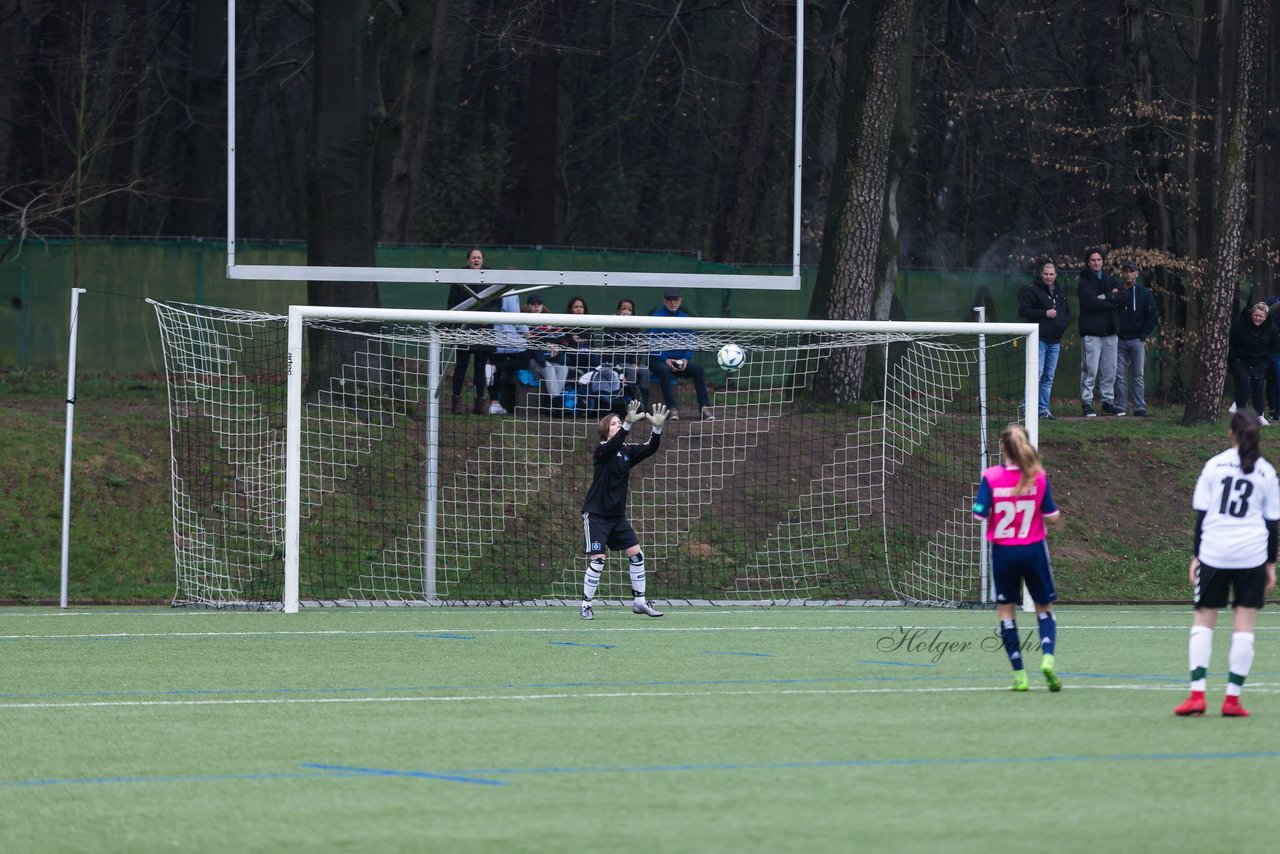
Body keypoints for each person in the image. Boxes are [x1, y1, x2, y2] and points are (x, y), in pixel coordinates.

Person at [1175, 410, 1279, 717]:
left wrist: (1197, 556)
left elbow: (1201, 517)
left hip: (1215, 554)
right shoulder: (1266, 472)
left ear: (1231, 434)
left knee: (1203, 622)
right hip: (1251, 556)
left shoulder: (1213, 466)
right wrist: (1270, 565)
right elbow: (1272, 525)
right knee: (1244, 628)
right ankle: (1232, 700)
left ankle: (1197, 696)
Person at [971, 423, 1063, 692]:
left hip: (1003, 553)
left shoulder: (991, 476)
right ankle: (1047, 658)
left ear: (1002, 447)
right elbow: (1051, 515)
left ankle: (1020, 675)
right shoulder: (1038, 476)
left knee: (1006, 612)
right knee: (1044, 608)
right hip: (1033, 550)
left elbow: (978, 514)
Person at [579, 399, 670, 620]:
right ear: (604, 431)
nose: (619, 425)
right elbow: (613, 444)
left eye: (620, 422)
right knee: (598, 560)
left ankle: (639, 603)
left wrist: (657, 428)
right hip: (596, 515)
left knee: (636, 555)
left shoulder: (626, 451)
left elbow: (650, 448)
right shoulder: (602, 450)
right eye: (615, 423)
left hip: (616, 518)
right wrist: (628, 424)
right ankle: (585, 605)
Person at [1018, 258, 1071, 421]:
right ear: (1041, 274)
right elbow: (1023, 310)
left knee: (1048, 376)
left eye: (1052, 274)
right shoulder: (1032, 290)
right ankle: (1027, 407)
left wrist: (1062, 324)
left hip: (1055, 341)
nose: (1049, 277)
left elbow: (1067, 312)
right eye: (1046, 274)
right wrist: (1044, 313)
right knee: (1036, 374)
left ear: (1056, 274)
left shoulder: (1060, 291)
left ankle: (1043, 409)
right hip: (1039, 339)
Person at [649, 289, 713, 421]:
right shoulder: (655, 318)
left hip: (679, 361)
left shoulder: (685, 319)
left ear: (680, 300)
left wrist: (685, 359)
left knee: (698, 370)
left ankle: (704, 408)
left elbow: (689, 344)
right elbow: (652, 346)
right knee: (664, 369)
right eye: (669, 299)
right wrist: (666, 360)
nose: (672, 302)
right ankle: (672, 408)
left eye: (675, 299)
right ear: (664, 300)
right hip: (658, 361)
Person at [447, 248, 492, 414]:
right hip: (463, 329)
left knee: (480, 367)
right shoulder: (459, 277)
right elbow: (452, 303)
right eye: (473, 257)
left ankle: (479, 401)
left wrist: (487, 319)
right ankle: (456, 400)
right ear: (468, 260)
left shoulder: (491, 276)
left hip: (484, 329)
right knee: (462, 366)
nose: (476, 260)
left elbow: (496, 302)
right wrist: (452, 325)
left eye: (479, 257)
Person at [1077, 247, 1121, 417]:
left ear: (1103, 262)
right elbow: (1091, 303)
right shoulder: (1084, 283)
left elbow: (1121, 296)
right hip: (1092, 333)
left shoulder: (1110, 279)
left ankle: (1107, 402)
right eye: (1093, 260)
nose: (1096, 263)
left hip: (1110, 332)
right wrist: (1110, 298)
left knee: (1110, 369)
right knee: (1090, 369)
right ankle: (1087, 402)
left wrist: (1104, 297)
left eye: (1099, 260)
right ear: (1088, 262)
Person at [1113, 259, 1157, 417]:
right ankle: (1121, 406)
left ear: (1137, 274)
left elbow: (1152, 316)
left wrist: (1143, 334)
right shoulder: (1116, 291)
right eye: (1126, 271)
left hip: (1137, 339)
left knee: (1138, 374)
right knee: (1120, 375)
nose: (1128, 274)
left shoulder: (1144, 293)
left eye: (1131, 271)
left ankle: (1140, 406)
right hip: (1120, 339)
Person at [1228, 302, 1278, 425]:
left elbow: (1274, 346)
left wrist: (1265, 362)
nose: (1258, 318)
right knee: (1242, 386)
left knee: (1258, 387)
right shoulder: (1240, 324)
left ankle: (1259, 415)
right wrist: (1235, 360)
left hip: (1259, 362)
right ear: (1252, 314)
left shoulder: (1271, 328)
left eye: (1261, 316)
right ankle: (1240, 414)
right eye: (1256, 315)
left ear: (1265, 317)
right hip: (1241, 360)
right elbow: (1232, 341)